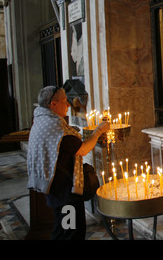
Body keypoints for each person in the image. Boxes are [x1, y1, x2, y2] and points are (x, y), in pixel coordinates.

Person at [27, 86, 110, 240]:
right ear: (53, 104)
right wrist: (98, 131)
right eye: (64, 101)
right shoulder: (55, 127)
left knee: (62, 230)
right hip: (64, 193)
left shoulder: (41, 120)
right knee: (70, 232)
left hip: (55, 189)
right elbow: (83, 149)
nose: (68, 105)